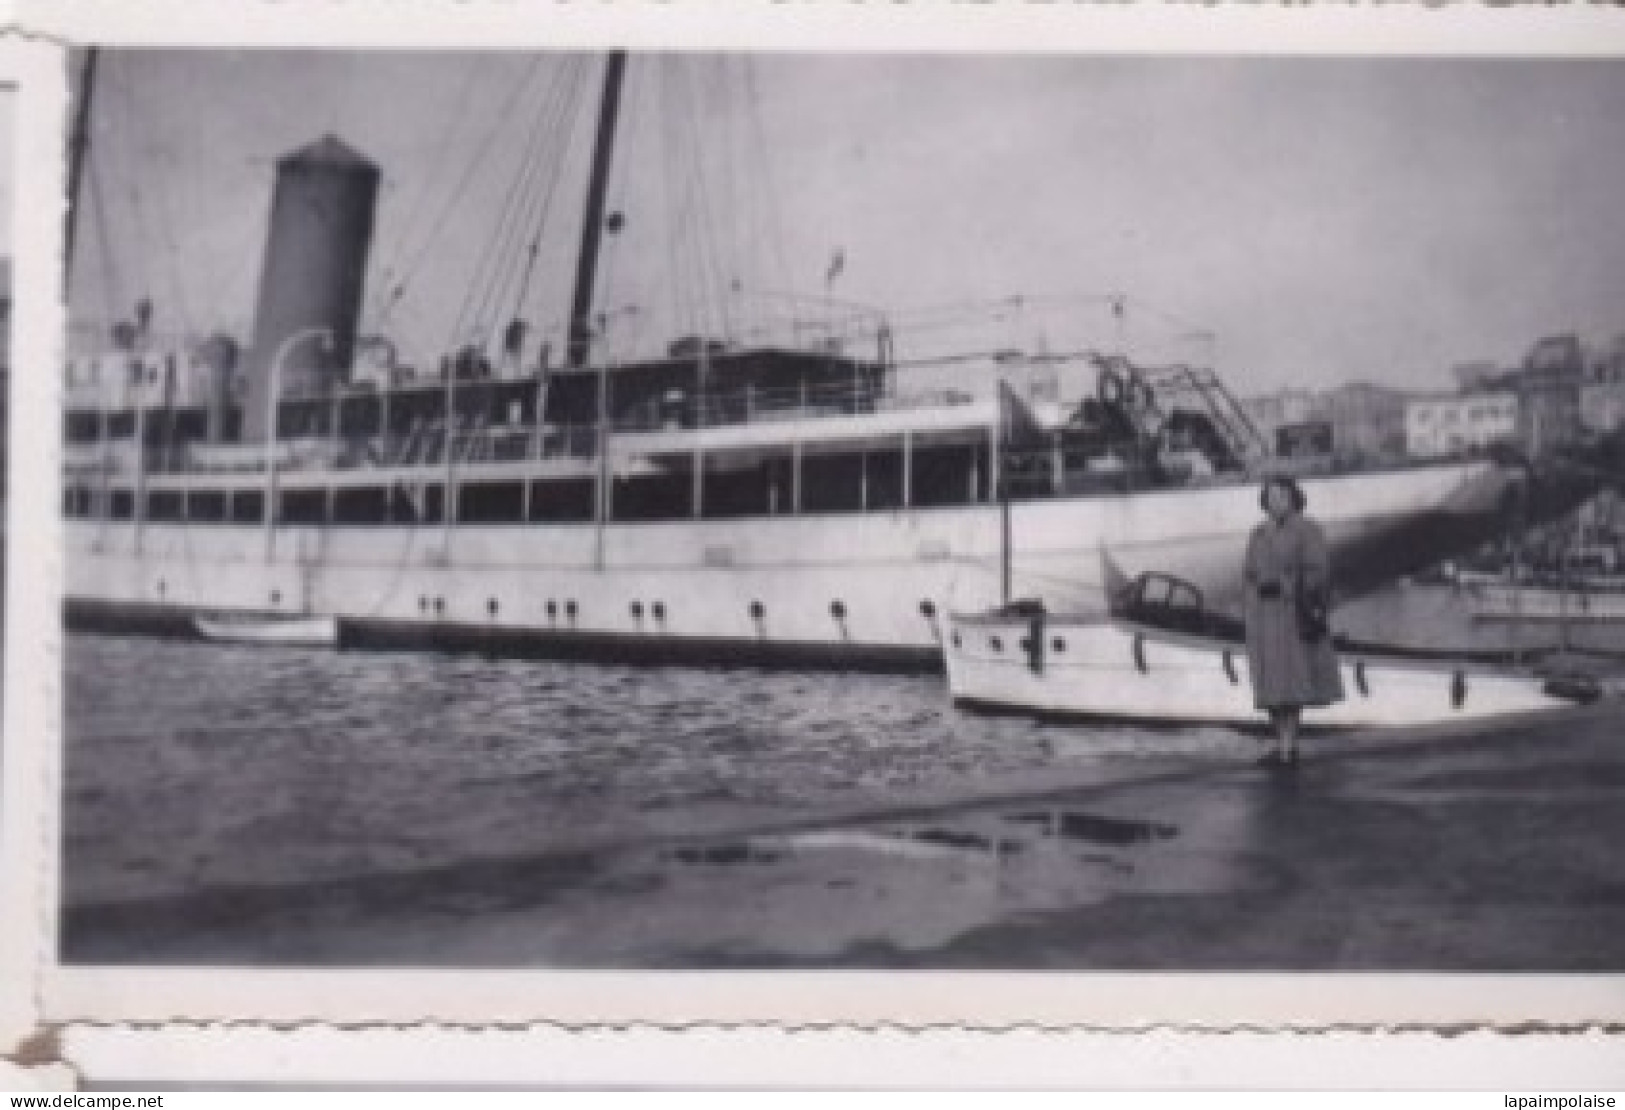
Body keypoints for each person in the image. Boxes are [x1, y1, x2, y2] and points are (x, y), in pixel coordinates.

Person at [1243, 475, 1344, 766]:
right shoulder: (1258, 533)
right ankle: (1281, 742)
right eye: (1270, 496)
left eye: (1281, 496)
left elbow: (1318, 571)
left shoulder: (1307, 529)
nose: (1275, 502)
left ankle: (1289, 744)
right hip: (1264, 615)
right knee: (1271, 682)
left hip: (1291, 614)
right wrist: (1251, 603)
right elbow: (1248, 572)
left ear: (1293, 498)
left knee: (1292, 680)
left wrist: (1290, 588)